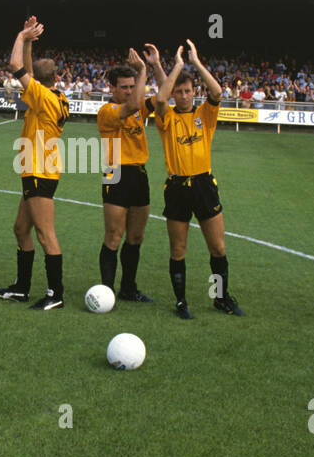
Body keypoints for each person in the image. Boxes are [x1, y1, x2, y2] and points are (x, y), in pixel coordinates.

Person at [152, 40, 242, 318]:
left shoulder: (205, 114)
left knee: (217, 247)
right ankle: (181, 301)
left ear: (194, 92)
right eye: (178, 92)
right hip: (177, 187)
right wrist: (177, 65)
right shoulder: (166, 118)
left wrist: (196, 62)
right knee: (178, 249)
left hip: (204, 185)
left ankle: (220, 296)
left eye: (187, 91)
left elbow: (216, 91)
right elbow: (158, 99)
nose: (182, 96)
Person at [0, 16, 71, 310]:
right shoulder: (54, 95)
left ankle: (56, 294)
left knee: (44, 234)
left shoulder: (41, 97)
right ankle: (22, 288)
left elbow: (16, 66)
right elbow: (26, 68)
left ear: (37, 80)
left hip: (40, 173)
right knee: (20, 229)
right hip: (36, 172)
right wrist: (29, 41)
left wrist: (20, 34)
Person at [96, 44, 162, 302]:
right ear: (112, 89)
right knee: (114, 235)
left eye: (132, 86)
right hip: (115, 174)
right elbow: (134, 105)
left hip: (139, 174)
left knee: (136, 236)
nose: (129, 91)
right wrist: (142, 69)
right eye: (124, 87)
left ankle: (128, 288)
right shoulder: (107, 111)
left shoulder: (138, 107)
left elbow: (164, 95)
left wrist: (155, 65)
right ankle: (106, 291)